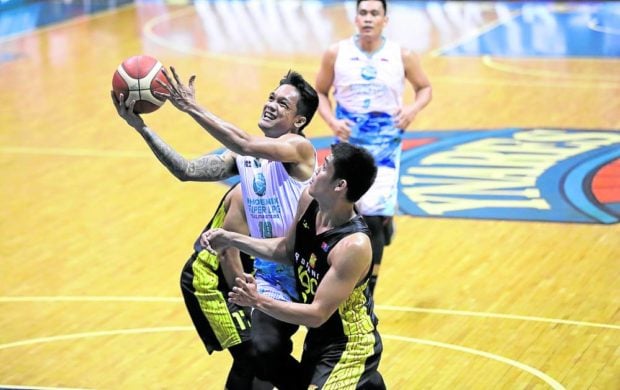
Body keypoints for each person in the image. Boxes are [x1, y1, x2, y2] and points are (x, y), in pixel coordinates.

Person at [111, 68, 319, 389]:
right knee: (256, 354)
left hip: (298, 271)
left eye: (283, 104)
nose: (271, 105)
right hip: (248, 276)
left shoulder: (299, 149)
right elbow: (187, 170)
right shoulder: (246, 160)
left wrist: (192, 107)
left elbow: (247, 143)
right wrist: (142, 128)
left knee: (274, 357)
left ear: (298, 122)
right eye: (270, 97)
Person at [201, 142, 385, 389]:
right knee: (264, 354)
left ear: (340, 186)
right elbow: (287, 250)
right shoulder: (309, 200)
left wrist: (257, 300)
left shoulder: (353, 246)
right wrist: (231, 238)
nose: (316, 169)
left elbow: (318, 314)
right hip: (319, 341)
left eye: (325, 167)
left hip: (349, 344)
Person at [315, 0, 433, 295]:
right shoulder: (336, 53)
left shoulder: (402, 55)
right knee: (347, 212)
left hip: (384, 146)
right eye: (363, 13)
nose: (368, 19)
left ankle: (367, 289)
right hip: (348, 145)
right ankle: (380, 225)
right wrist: (331, 121)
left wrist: (411, 111)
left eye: (374, 14)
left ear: (385, 20)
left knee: (370, 218)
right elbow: (319, 91)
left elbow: (425, 88)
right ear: (355, 18)